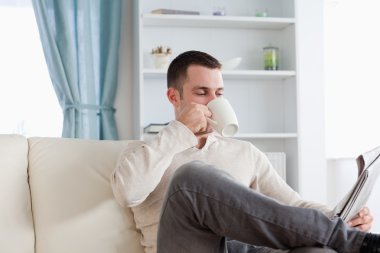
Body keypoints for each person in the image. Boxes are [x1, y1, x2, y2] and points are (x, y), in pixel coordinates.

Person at [111, 50, 377, 253]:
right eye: (202, 93)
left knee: (318, 251)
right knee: (190, 179)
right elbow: (128, 193)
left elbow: (293, 206)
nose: (213, 102)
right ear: (174, 97)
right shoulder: (145, 152)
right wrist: (180, 131)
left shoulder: (244, 152)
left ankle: (346, 236)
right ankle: (357, 243)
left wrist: (341, 216)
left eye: (219, 93)